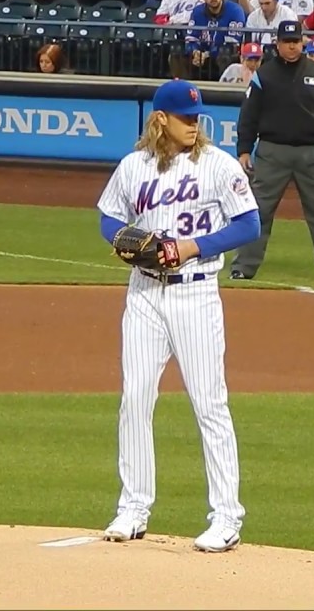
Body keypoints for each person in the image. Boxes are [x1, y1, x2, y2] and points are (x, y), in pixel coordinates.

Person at [96, 78, 259, 554]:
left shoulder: (216, 165)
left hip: (196, 295)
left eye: (198, 117)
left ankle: (227, 516)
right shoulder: (133, 166)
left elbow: (249, 224)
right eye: (186, 118)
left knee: (209, 404)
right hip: (144, 294)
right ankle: (133, 507)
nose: (195, 124)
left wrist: (193, 246)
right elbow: (108, 215)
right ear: (161, 119)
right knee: (136, 398)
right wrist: (123, 238)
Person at [230, 19, 314, 283]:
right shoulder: (264, 75)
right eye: (287, 42)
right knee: (259, 211)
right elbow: (249, 115)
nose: (292, 47)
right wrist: (244, 149)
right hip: (273, 151)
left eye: (296, 42)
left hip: (311, 152)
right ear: (277, 44)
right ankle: (243, 267)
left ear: (302, 42)